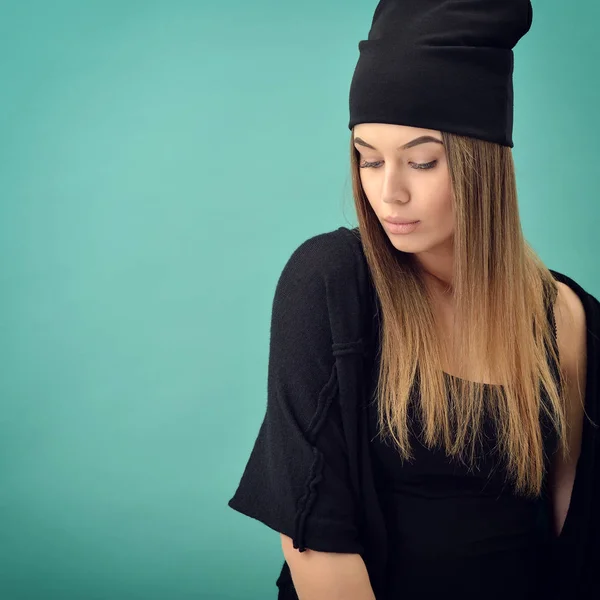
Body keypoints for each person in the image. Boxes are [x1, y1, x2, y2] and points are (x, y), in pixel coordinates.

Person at [228, 1, 599, 598]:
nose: (388, 192)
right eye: (368, 159)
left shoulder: (566, 317)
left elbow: (573, 541)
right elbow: (317, 544)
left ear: (484, 162)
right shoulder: (329, 283)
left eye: (422, 160)